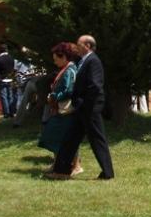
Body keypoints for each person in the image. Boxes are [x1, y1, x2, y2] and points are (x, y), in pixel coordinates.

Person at [47, 35, 114, 180]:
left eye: (79, 44)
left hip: (89, 108)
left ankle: (107, 173)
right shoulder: (83, 61)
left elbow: (95, 86)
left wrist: (83, 102)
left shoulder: (93, 61)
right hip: (82, 108)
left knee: (97, 140)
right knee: (70, 138)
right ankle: (61, 171)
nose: (76, 47)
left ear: (87, 46)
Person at [38, 43, 82, 175]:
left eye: (56, 58)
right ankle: (57, 164)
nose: (54, 61)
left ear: (64, 57)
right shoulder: (66, 69)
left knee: (62, 138)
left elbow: (69, 90)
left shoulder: (69, 70)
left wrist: (54, 97)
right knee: (57, 137)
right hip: (60, 110)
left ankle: (76, 166)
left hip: (66, 110)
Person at [0, 44, 15, 118]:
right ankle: (12, 112)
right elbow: (13, 68)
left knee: (4, 96)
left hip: (2, 79)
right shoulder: (11, 58)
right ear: (7, 50)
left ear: (0, 50)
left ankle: (6, 113)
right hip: (10, 78)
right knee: (10, 96)